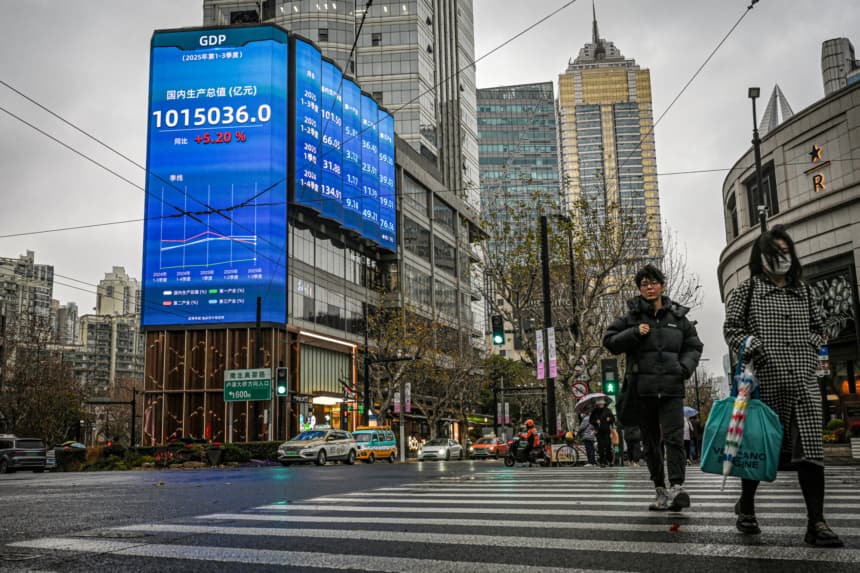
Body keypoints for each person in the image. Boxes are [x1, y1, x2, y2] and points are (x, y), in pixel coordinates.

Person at [723, 225, 843, 547]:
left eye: (786, 251)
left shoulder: (804, 292)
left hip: (804, 383)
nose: (782, 258)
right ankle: (746, 506)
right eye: (774, 252)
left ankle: (817, 522)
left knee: (811, 454)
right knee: (759, 450)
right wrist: (752, 345)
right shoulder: (747, 291)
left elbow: (820, 329)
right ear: (761, 259)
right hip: (765, 383)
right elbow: (731, 329)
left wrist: (811, 346)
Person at [603, 264, 703, 511]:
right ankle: (660, 489)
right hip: (642, 389)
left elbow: (694, 345)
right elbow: (610, 342)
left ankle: (677, 487)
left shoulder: (678, 317)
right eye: (644, 284)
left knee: (674, 438)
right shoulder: (631, 317)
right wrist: (634, 333)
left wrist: (683, 369)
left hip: (671, 387)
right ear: (639, 288)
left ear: (662, 285)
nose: (649, 287)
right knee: (651, 444)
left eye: (653, 282)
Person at [589, 398, 615, 467]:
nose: (601, 405)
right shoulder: (594, 411)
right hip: (598, 432)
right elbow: (591, 420)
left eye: (602, 403)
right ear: (597, 404)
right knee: (601, 447)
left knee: (608, 446)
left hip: (606, 431)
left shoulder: (608, 410)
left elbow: (613, 419)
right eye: (599, 404)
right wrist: (595, 421)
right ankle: (602, 462)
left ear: (604, 403)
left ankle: (609, 460)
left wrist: (609, 419)